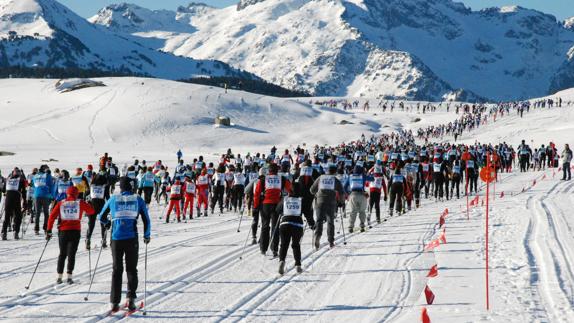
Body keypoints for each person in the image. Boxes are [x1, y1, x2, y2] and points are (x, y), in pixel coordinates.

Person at [98, 177, 151, 313]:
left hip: (116, 238)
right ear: (131, 186)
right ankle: (131, 300)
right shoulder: (137, 199)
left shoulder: (113, 199)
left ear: (120, 187)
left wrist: (107, 223)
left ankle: (114, 302)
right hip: (131, 238)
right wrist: (146, 235)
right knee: (131, 269)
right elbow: (146, 218)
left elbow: (101, 216)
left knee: (117, 269)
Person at [46, 186, 95, 284]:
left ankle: (59, 276)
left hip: (63, 231)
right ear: (76, 193)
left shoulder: (61, 203)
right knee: (71, 254)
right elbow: (91, 211)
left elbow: (51, 216)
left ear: (67, 193)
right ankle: (69, 276)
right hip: (75, 231)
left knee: (62, 254)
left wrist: (49, 230)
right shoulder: (80, 202)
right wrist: (89, 204)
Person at [253, 163, 292, 257]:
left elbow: (257, 193)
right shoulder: (282, 179)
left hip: (265, 205)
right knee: (275, 227)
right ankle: (274, 249)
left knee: (265, 226)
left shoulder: (263, 180)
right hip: (277, 205)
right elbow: (291, 189)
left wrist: (255, 206)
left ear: (269, 171)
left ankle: (263, 248)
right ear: (277, 170)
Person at [309, 164, 344, 249]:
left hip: (320, 201)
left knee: (319, 220)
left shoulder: (320, 178)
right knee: (330, 222)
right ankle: (331, 241)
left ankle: (317, 236)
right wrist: (341, 202)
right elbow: (341, 192)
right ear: (335, 172)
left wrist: (316, 193)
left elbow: (312, 190)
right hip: (331, 202)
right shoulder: (335, 180)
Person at [277, 184, 304, 275]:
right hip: (297, 225)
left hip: (285, 224)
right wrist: (312, 223)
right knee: (296, 245)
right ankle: (298, 264)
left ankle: (281, 261)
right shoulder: (301, 200)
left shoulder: (285, 199)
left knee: (284, 245)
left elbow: (277, 209)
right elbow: (308, 212)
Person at [88, 167, 110, 249]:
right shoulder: (105, 186)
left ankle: (88, 239)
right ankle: (103, 241)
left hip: (92, 205)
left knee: (91, 224)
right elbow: (108, 198)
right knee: (103, 223)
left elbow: (86, 194)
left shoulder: (92, 185)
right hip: (102, 206)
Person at [2, 168, 26, 240]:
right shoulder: (21, 180)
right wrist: (25, 201)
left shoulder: (8, 179)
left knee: (7, 216)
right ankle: (16, 231)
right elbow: (24, 191)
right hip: (16, 198)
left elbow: (3, 190)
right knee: (18, 215)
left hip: (8, 198)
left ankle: (3, 232)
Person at [32, 165, 55, 235]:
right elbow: (51, 186)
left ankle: (36, 229)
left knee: (37, 213)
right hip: (45, 196)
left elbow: (33, 185)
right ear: (44, 169)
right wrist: (52, 196)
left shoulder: (35, 175)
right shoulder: (47, 175)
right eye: (47, 168)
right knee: (46, 213)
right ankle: (46, 228)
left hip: (36, 196)